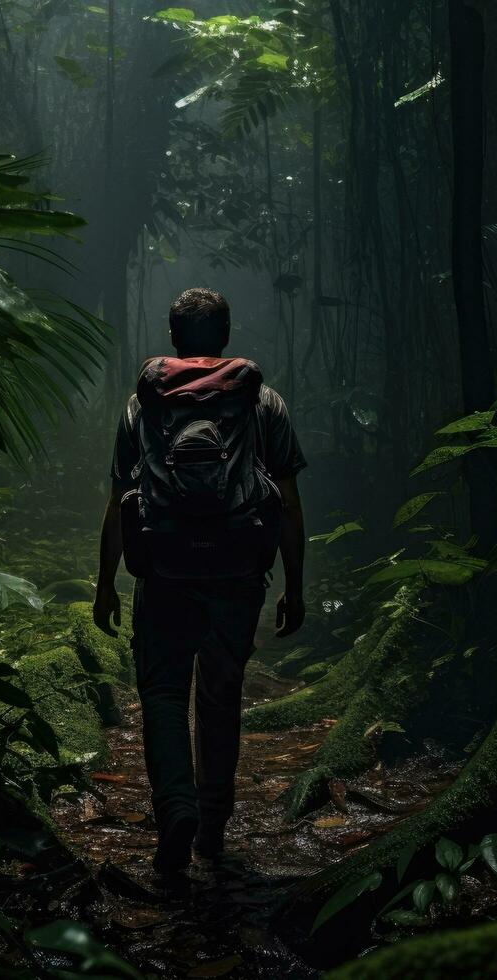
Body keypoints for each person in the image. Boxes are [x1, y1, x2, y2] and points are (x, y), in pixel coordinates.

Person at [92, 287, 307, 875]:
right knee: (221, 695)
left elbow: (119, 499)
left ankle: (176, 809)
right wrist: (296, 584)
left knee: (162, 695)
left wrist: (105, 582)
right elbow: (286, 500)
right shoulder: (263, 403)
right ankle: (213, 823)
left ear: (173, 336)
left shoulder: (143, 405)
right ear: (227, 333)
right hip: (238, 571)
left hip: (162, 570)